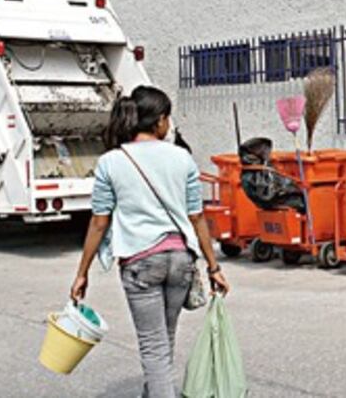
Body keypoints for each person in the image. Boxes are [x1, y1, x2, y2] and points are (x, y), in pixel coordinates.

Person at [71, 86, 230, 398]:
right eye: (168, 118)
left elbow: (99, 222)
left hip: (140, 262)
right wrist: (213, 267)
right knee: (163, 340)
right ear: (159, 121)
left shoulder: (110, 162)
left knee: (154, 345)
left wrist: (82, 272)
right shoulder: (181, 158)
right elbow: (197, 217)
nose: (169, 124)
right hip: (181, 260)